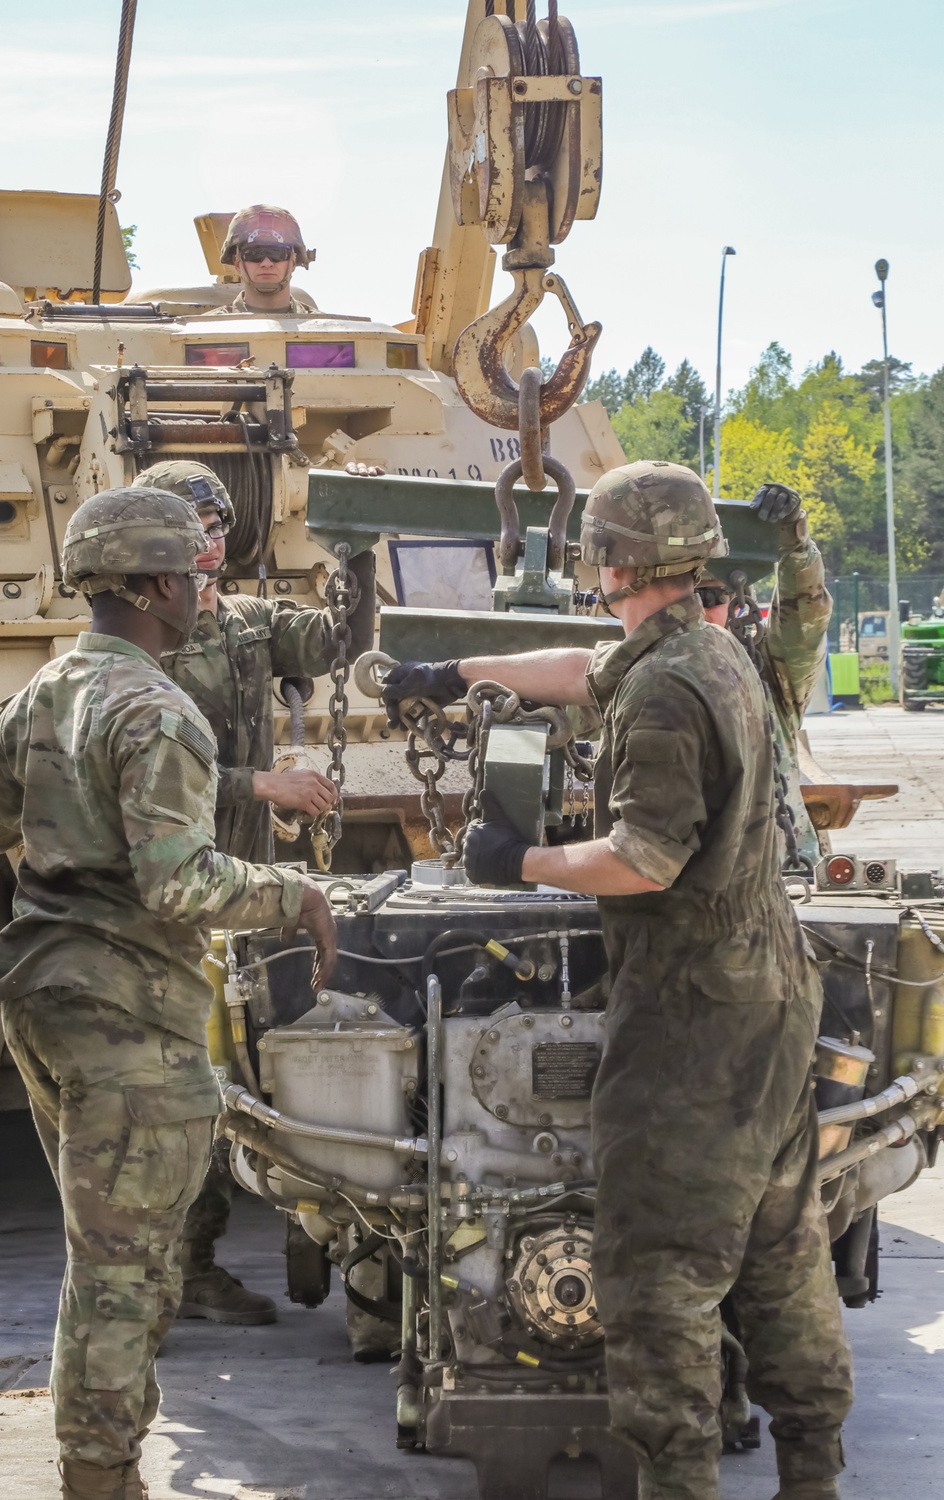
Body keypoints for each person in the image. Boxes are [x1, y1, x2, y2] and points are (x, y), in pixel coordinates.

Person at [380, 460, 853, 1500]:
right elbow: (580, 667)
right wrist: (448, 674)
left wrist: (522, 863)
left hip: (694, 1023)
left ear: (605, 560)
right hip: (770, 994)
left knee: (656, 1281)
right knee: (779, 1245)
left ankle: (678, 1484)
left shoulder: (662, 697)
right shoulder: (710, 650)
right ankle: (811, 1470)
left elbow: (644, 861)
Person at [0, 486, 338, 1500]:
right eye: (199, 576)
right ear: (164, 585)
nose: (208, 592)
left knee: (107, 1250)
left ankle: (104, 1468)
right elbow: (181, 885)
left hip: (40, 992)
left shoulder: (46, 691)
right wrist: (293, 894)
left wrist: (67, 830)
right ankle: (98, 1477)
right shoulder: (161, 712)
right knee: (124, 1274)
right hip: (129, 1014)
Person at [132, 459, 375, 1325]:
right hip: (171, 895)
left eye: (215, 522)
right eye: (190, 523)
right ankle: (183, 1271)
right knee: (187, 1093)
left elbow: (338, 641)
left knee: (258, 1073)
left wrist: (358, 553)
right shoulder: (142, 642)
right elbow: (150, 779)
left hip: (240, 897)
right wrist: (258, 787)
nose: (207, 538)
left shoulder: (246, 624)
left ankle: (308, 1232)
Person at [698, 481, 832, 872]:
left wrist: (793, 539)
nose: (698, 611)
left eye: (710, 598)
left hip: (780, 876)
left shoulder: (771, 678)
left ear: (735, 601)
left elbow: (806, 616)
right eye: (683, 597)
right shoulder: (626, 674)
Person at [218, 204, 318, 315]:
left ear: (293, 262)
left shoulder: (323, 327)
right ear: (237, 263)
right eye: (254, 254)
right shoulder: (209, 327)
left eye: (277, 253)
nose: (267, 263)